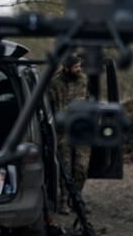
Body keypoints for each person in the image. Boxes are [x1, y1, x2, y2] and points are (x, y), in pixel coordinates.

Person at [48, 54, 89, 214]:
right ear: (66, 68)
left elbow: (89, 100)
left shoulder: (84, 80)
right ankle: (64, 200)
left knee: (82, 168)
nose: (79, 69)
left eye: (80, 66)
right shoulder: (54, 83)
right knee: (66, 168)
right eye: (76, 67)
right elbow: (48, 107)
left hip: (81, 130)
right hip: (62, 132)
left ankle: (76, 199)